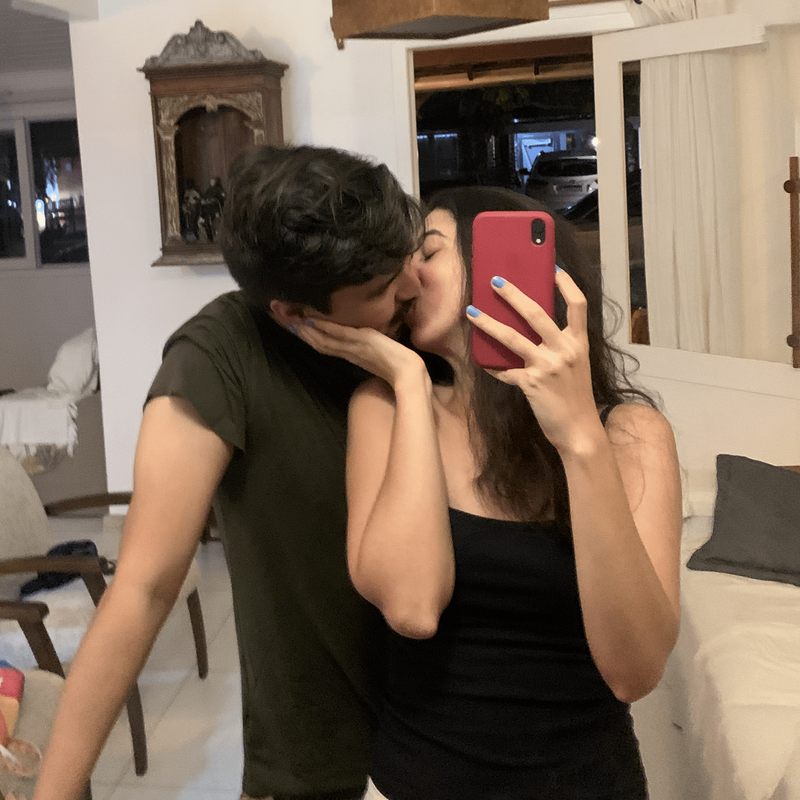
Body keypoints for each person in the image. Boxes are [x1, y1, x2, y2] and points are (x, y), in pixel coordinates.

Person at [31, 144, 423, 800]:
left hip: (454, 742)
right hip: (319, 762)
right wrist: (56, 791)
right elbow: (144, 588)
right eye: (380, 290)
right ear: (292, 313)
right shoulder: (218, 358)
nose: (410, 287)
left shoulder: (424, 326)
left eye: (407, 259)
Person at [294, 186, 683, 800]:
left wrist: (580, 441)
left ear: (505, 266)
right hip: (415, 784)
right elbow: (413, 608)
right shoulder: (385, 408)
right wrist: (409, 380)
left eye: (430, 251)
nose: (408, 275)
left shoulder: (631, 435)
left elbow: (634, 672)